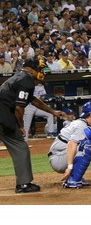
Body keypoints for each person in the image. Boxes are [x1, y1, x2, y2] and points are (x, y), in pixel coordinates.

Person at [0, 57, 65, 193]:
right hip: (3, 116)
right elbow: (19, 108)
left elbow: (34, 101)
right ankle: (24, 184)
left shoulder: (21, 77)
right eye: (40, 69)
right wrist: (21, 126)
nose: (42, 72)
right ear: (30, 69)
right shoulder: (26, 81)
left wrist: (52, 111)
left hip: (3, 113)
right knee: (21, 147)